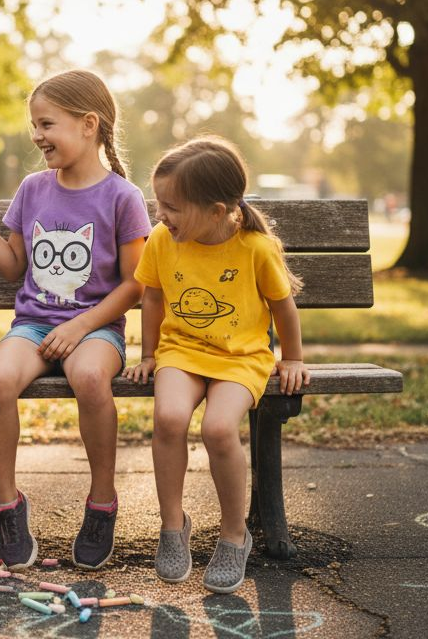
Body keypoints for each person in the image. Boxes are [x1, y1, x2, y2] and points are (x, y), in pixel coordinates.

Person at [0, 70, 150, 570]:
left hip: (96, 328)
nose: (37, 136)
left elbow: (135, 285)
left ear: (89, 124)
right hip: (32, 325)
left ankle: (101, 503)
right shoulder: (32, 188)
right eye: (34, 125)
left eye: (46, 124)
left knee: (90, 376)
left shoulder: (123, 197)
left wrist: (79, 327)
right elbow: (14, 269)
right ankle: (8, 507)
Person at [124, 135, 310, 593]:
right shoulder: (165, 240)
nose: (160, 215)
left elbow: (283, 307)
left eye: (171, 205)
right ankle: (172, 526)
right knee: (168, 418)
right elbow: (151, 297)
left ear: (216, 210)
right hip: (181, 351)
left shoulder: (255, 249)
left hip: (241, 357)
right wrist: (149, 354)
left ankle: (233, 535)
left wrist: (293, 358)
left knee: (219, 429)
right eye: (159, 203)